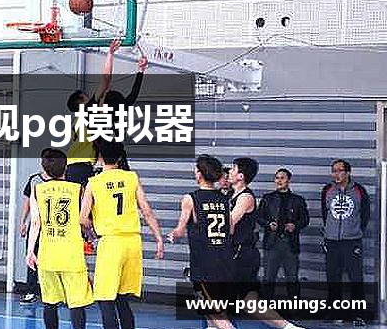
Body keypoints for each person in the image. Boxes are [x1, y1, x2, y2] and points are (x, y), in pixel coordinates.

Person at [80, 140, 164, 329]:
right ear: (119, 157)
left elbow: (82, 218)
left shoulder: (94, 182)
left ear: (99, 157)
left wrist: (92, 234)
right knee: (121, 297)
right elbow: (146, 210)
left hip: (111, 243)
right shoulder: (132, 177)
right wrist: (158, 238)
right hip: (133, 243)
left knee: (104, 298)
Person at [229, 158, 303, 329]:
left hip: (243, 254)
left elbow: (229, 224)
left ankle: (289, 326)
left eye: (233, 169)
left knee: (250, 302)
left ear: (241, 176)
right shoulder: (232, 196)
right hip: (237, 252)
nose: (229, 172)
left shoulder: (245, 197)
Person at [26, 148, 93, 329]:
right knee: (77, 303)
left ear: (44, 168)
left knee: (50, 302)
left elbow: (35, 223)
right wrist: (91, 234)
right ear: (66, 168)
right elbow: (84, 220)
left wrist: (30, 251)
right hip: (72, 254)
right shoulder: (78, 189)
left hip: (48, 253)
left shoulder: (37, 189)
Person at [168, 155, 234, 329]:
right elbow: (231, 228)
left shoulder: (191, 198)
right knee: (213, 313)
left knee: (214, 313)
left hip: (204, 262)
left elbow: (180, 229)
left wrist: (173, 235)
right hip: (225, 259)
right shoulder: (224, 198)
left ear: (200, 174)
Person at [321, 159, 370, 326]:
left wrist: (355, 232)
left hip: (351, 242)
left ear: (348, 172)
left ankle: (358, 314)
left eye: (339, 170)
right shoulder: (327, 190)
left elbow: (365, 215)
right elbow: (325, 213)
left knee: (355, 277)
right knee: (333, 277)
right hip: (332, 241)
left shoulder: (359, 190)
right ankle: (334, 312)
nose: (336, 174)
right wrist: (330, 232)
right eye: (333, 170)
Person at [65, 39, 119, 188]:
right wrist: (110, 54)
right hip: (83, 165)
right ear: (82, 101)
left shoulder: (77, 120)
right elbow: (105, 80)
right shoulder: (87, 110)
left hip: (72, 165)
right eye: (87, 96)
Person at [258, 168, 309, 299]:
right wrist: (268, 224)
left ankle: (294, 307)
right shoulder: (267, 199)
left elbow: (305, 220)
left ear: (288, 180)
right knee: (268, 277)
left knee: (292, 278)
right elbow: (259, 217)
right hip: (272, 242)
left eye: (282, 178)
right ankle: (267, 307)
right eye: (277, 178)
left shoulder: (298, 200)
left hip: (290, 243)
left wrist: (295, 225)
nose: (279, 181)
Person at [99, 56, 148, 171]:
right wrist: (141, 71)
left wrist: (105, 91)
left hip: (105, 159)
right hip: (119, 156)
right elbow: (134, 92)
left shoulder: (100, 117)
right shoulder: (121, 110)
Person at [18, 165, 50, 305]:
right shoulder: (34, 180)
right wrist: (22, 221)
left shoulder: (63, 181)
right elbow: (27, 203)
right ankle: (31, 291)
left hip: (53, 227)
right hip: (36, 225)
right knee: (32, 257)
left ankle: (56, 292)